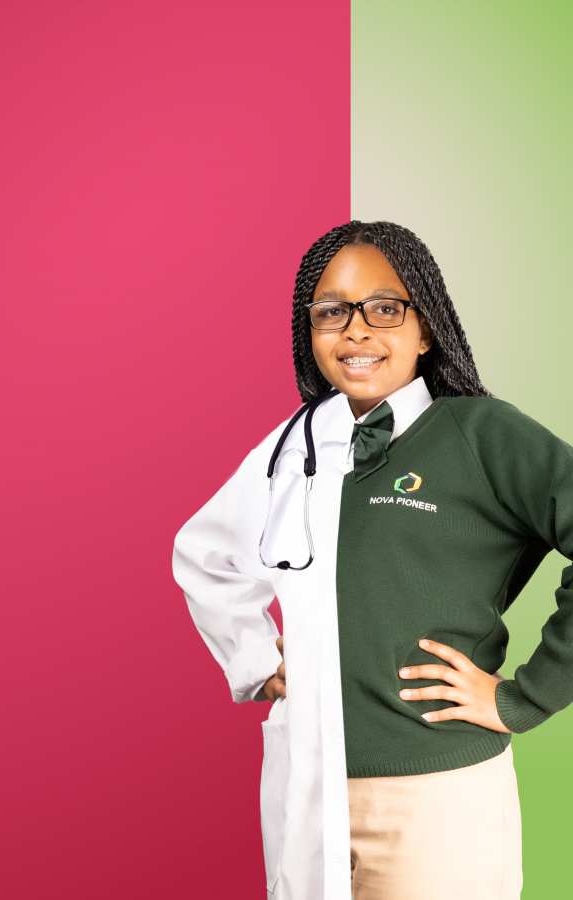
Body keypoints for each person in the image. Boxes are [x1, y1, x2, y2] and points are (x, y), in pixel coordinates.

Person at [172, 221, 573, 900]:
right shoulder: (293, 445)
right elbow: (203, 553)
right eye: (332, 311)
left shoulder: (480, 433)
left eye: (384, 308)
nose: (356, 330)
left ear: (427, 329)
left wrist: (525, 698)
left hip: (437, 801)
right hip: (306, 790)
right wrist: (256, 659)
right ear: (310, 332)